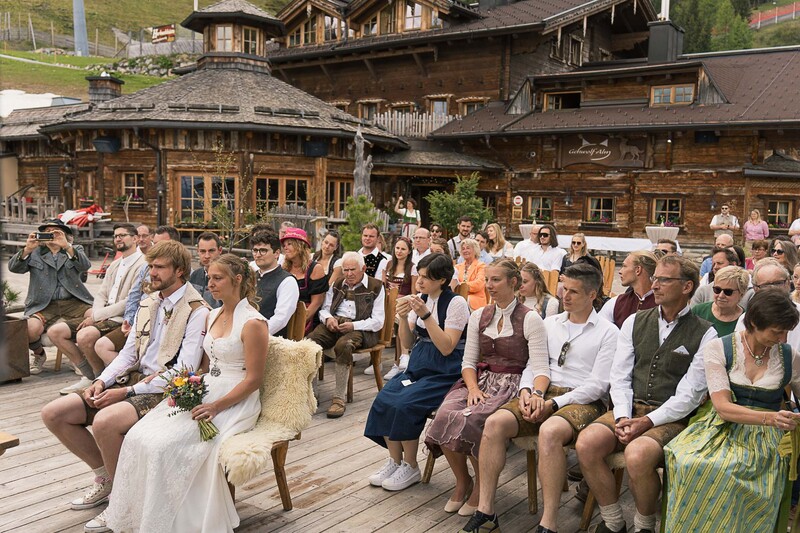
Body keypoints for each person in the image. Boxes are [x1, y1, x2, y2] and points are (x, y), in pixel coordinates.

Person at [40, 241, 209, 533]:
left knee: (105, 422)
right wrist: (101, 381)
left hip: (166, 391)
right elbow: (129, 355)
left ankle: (123, 501)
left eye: (159, 267)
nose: (152, 272)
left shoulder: (196, 310)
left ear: (180, 271)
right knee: (55, 413)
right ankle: (108, 480)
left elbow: (185, 370)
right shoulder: (149, 302)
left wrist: (128, 392)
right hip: (133, 380)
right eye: (151, 266)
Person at [105, 254, 268, 533]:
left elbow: (254, 380)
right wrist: (184, 386)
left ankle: (183, 519)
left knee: (165, 445)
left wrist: (216, 406)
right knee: (139, 435)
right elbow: (204, 366)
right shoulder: (213, 314)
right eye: (209, 277)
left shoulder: (253, 323)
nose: (210, 284)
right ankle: (146, 512)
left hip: (235, 399)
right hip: (207, 388)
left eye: (218, 278)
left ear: (238, 279)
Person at [461, 264, 619, 533]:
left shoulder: (608, 332)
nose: (565, 296)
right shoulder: (550, 323)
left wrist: (554, 403)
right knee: (494, 423)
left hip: (582, 400)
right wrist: (527, 392)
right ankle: (486, 510)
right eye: (564, 288)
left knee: (550, 431)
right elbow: (534, 365)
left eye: (573, 291)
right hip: (542, 391)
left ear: (592, 295)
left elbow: (598, 386)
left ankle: (548, 523)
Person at [575, 256, 716, 533]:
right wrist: (622, 416)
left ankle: (644, 526)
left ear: (687, 286)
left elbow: (690, 394)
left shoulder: (705, 333)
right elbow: (620, 376)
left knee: (637, 454)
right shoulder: (634, 322)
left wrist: (647, 421)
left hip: (672, 417)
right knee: (586, 443)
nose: (655, 285)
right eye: (655, 278)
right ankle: (613, 521)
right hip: (629, 408)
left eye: (664, 279)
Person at [664, 290, 800, 532]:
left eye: (786, 332)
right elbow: (723, 407)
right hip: (722, 428)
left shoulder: (790, 356)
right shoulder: (719, 348)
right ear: (754, 323)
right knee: (693, 463)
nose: (782, 338)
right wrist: (771, 418)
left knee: (737, 470)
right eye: (777, 331)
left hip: (767, 438)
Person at [425, 259, 549, 518]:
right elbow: (468, 362)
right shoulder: (479, 315)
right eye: (488, 280)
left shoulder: (530, 319)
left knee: (473, 419)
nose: (489, 285)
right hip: (479, 381)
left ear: (513, 282)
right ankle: (463, 480)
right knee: (444, 414)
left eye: (496, 280)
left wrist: (535, 393)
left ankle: (482, 485)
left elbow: (540, 367)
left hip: (513, 385)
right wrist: (472, 389)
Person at [363, 253, 470, 491]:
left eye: (425, 277)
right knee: (385, 398)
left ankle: (411, 465)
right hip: (418, 367)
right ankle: (395, 461)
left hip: (445, 371)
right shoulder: (422, 298)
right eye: (419, 275)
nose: (419, 281)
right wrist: (403, 317)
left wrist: (426, 316)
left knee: (405, 404)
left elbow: (447, 347)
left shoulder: (456, 303)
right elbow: (408, 343)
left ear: (442, 280)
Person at [47, 223, 145, 394]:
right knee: (56, 332)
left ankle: (100, 378)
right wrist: (96, 314)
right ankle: (89, 375)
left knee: (84, 335)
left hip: (122, 318)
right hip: (103, 315)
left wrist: (97, 316)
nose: (118, 239)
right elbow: (101, 293)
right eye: (115, 236)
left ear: (135, 238)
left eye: (122, 235)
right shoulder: (115, 264)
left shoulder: (142, 264)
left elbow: (130, 301)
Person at [8, 219, 93, 376]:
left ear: (64, 234)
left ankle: (79, 357)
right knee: (29, 329)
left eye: (55, 232)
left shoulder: (73, 249)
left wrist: (66, 246)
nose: (51, 235)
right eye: (47, 232)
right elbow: (13, 268)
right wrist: (27, 249)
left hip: (74, 302)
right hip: (43, 304)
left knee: (94, 317)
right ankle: (39, 354)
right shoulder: (35, 252)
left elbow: (85, 266)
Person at [307, 252, 385, 419]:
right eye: (345, 270)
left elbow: (378, 321)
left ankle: (339, 398)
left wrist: (354, 325)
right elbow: (324, 309)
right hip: (335, 324)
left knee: (344, 345)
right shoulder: (337, 283)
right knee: (309, 342)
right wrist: (328, 319)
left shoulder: (376, 286)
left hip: (361, 328)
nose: (348, 274)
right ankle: (312, 394)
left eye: (352, 270)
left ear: (363, 268)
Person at [378, 236, 417, 380]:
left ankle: (402, 357)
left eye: (403, 249)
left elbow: (413, 292)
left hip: (404, 304)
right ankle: (396, 361)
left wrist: (401, 300)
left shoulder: (412, 268)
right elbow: (383, 287)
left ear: (409, 251)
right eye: (397, 248)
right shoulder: (388, 264)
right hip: (388, 303)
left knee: (400, 319)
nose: (399, 251)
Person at [252, 230, 299, 338]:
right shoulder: (250, 277)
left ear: (276, 253)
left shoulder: (287, 281)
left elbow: (280, 318)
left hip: (269, 339)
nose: (257, 255)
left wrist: (254, 335)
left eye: (263, 250)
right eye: (255, 250)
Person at [282, 227, 327, 333]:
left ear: (300, 246)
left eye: (289, 244)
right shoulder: (284, 269)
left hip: (308, 319)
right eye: (284, 245)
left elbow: (317, 302)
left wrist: (298, 323)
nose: (285, 248)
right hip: (285, 316)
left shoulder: (315, 268)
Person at [599, 251, 657, 328]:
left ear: (638, 270)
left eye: (624, 266)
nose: (620, 271)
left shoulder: (663, 304)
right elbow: (598, 330)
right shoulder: (616, 303)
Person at [691, 266, 749, 337]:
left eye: (728, 292)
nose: (721, 295)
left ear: (741, 294)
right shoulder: (698, 312)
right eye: (717, 290)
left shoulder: (745, 321)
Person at [189, 232, 223, 309]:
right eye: (203, 251)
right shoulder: (195, 275)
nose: (207, 256)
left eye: (211, 251)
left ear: (220, 250)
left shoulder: (228, 276)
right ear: (198, 251)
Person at [455, 239, 487, 310]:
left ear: (475, 250)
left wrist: (463, 286)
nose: (465, 251)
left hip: (475, 299)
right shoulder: (457, 267)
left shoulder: (481, 266)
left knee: (462, 301)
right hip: (459, 297)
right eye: (463, 249)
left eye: (468, 248)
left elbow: (479, 284)